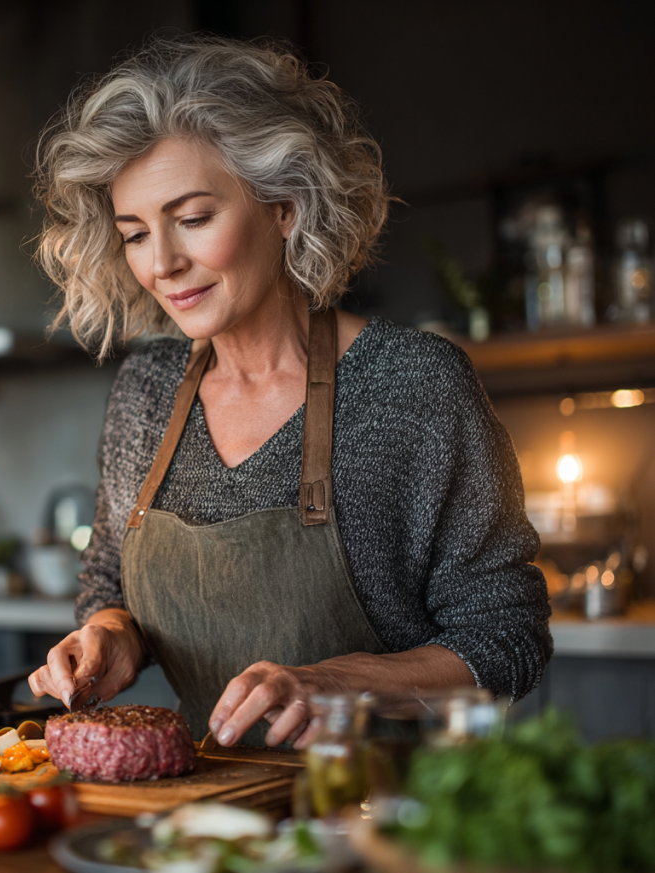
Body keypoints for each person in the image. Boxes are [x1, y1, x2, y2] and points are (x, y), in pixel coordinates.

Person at [27, 35, 552, 749]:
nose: (163, 263)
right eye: (135, 234)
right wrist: (110, 634)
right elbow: (109, 582)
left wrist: (336, 683)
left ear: (283, 206)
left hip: (384, 822)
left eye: (192, 218)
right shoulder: (145, 392)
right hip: (209, 825)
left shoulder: (412, 385)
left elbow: (507, 640)